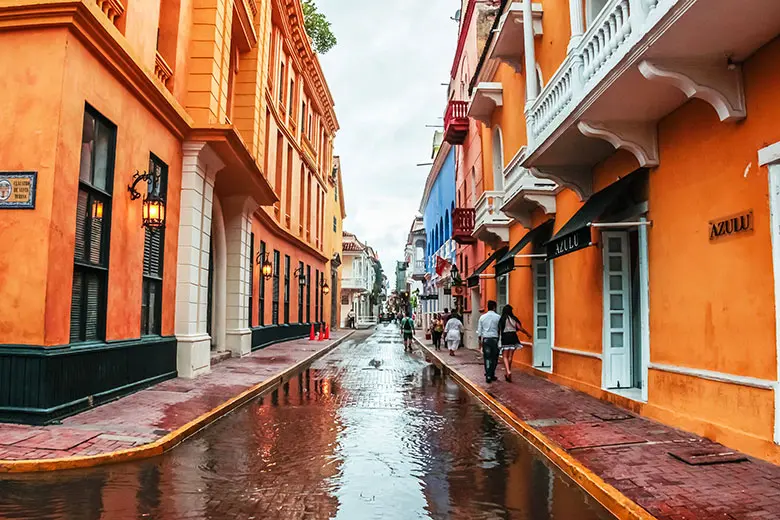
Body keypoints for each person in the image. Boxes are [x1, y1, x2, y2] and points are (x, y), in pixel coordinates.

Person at [498, 304, 532, 382]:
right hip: (513, 336)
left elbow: (499, 330)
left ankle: (508, 371)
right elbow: (520, 328)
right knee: (510, 356)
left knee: (505, 356)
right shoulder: (514, 318)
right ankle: (508, 372)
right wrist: (527, 333)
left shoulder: (502, 319)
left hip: (505, 337)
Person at [476, 300, 501, 383]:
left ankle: (488, 375)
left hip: (486, 339)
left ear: (488, 307)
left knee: (487, 358)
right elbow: (500, 329)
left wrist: (480, 342)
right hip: (494, 339)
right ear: (494, 307)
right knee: (494, 358)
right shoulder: (498, 317)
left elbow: (479, 331)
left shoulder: (482, 317)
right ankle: (492, 373)